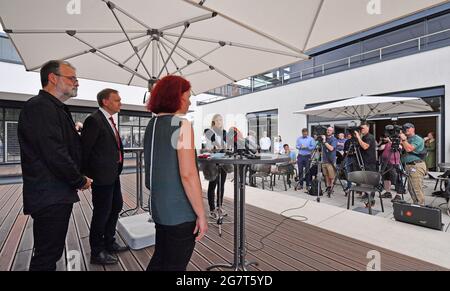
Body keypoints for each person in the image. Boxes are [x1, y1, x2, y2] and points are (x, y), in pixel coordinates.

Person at [18, 60, 92, 271]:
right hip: (50, 194)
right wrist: (80, 180)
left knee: (50, 251)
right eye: (72, 78)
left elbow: (58, 145)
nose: (76, 82)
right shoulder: (40, 107)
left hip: (54, 193)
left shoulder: (52, 108)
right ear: (52, 78)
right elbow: (54, 153)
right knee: (47, 255)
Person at [143, 75, 207, 271]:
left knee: (160, 259)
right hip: (180, 212)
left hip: (159, 209)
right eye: (187, 96)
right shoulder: (182, 125)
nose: (189, 101)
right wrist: (201, 214)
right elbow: (188, 174)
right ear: (176, 97)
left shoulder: (151, 125)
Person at [81, 88, 128, 265]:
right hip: (101, 177)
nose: (120, 103)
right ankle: (97, 251)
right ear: (105, 102)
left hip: (113, 174)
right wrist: (86, 175)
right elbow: (85, 150)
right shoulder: (94, 120)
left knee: (116, 206)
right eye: (117, 100)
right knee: (101, 213)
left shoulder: (108, 120)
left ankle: (109, 242)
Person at [204, 114, 227, 219]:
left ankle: (219, 206)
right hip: (213, 162)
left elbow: (227, 146)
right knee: (212, 185)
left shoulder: (224, 133)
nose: (219, 121)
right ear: (213, 121)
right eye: (217, 120)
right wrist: (216, 147)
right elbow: (209, 147)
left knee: (221, 185)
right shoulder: (209, 132)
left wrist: (225, 147)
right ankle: (212, 209)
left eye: (221, 120)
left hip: (223, 161)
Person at [398, 123, 427, 205]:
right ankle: (416, 205)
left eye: (408, 128)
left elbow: (409, 149)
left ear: (413, 129)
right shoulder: (406, 139)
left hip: (416, 166)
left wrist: (403, 140)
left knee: (416, 188)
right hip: (409, 166)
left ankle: (420, 208)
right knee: (411, 188)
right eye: (404, 128)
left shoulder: (417, 138)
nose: (406, 129)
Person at [321, 127, 338, 195]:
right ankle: (328, 187)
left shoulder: (334, 139)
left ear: (332, 132)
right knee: (326, 175)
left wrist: (324, 141)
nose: (328, 131)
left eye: (330, 130)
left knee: (331, 176)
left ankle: (331, 189)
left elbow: (331, 148)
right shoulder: (324, 138)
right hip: (324, 160)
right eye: (327, 130)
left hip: (331, 160)